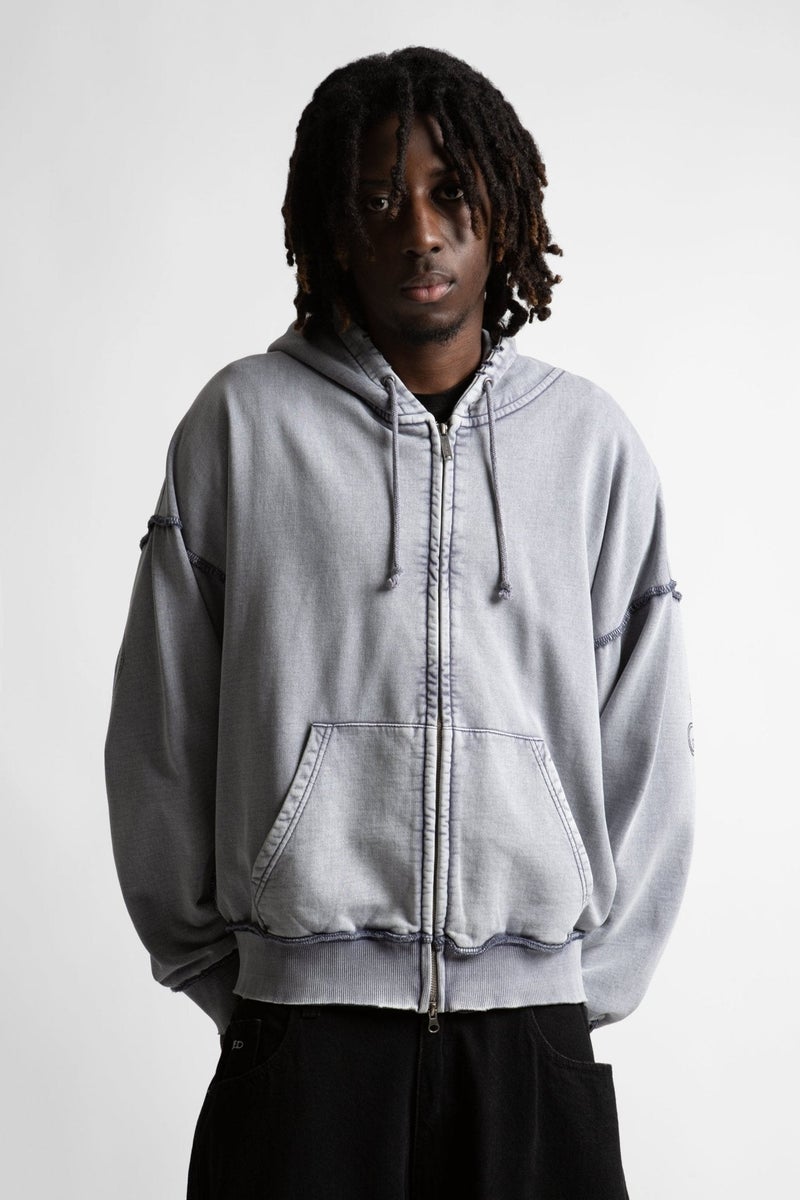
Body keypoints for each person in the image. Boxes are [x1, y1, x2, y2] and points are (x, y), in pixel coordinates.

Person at [104, 45, 695, 1200]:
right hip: (299, 1045)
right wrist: (239, 979)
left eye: (449, 193)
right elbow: (161, 731)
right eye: (378, 201)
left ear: (501, 210)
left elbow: (649, 741)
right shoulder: (241, 428)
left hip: (529, 1047)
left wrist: (573, 990)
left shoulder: (589, 447)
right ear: (331, 228)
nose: (419, 231)